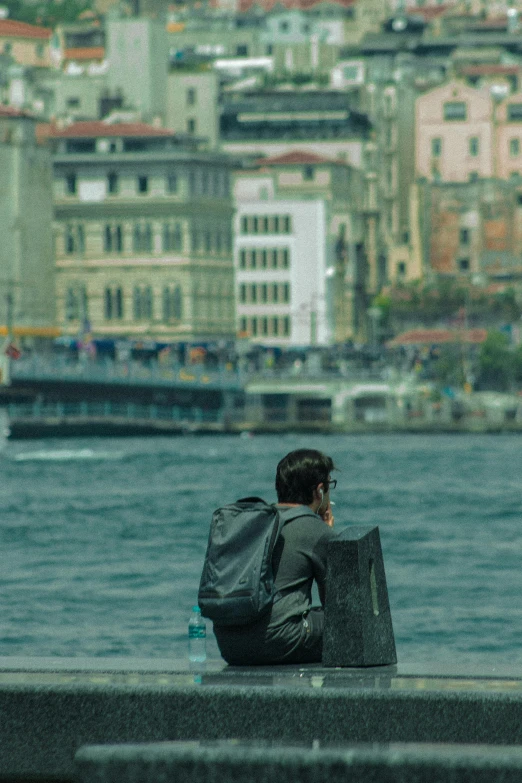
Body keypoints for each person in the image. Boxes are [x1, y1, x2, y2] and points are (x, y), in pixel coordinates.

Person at [213, 448, 337, 665]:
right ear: (319, 491)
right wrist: (327, 536)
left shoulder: (255, 523)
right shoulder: (316, 530)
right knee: (349, 623)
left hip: (228, 645)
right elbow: (336, 604)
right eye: (330, 486)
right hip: (277, 642)